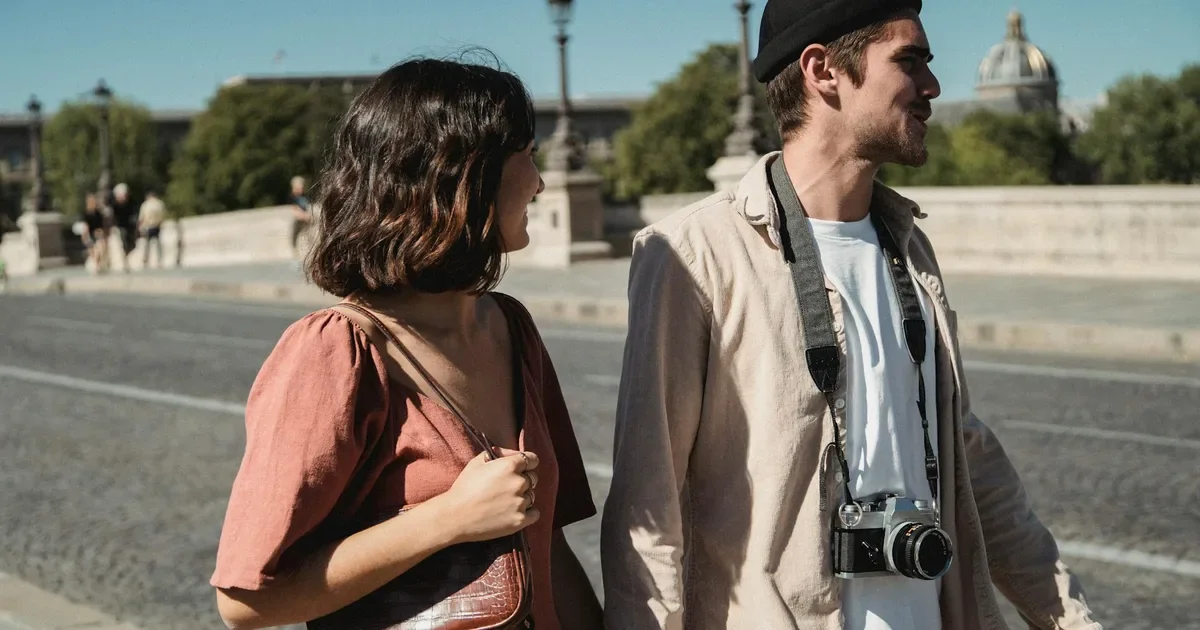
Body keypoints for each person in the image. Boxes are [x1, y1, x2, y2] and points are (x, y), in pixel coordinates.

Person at [599, 2, 1101, 629]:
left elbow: (968, 461)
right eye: (908, 61)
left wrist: (1069, 619)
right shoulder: (693, 256)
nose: (932, 87)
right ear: (823, 70)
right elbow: (648, 508)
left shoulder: (910, 246)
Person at [211, 58, 603, 630]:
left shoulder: (511, 327)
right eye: (528, 154)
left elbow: (548, 545)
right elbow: (247, 602)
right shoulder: (336, 350)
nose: (541, 182)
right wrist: (449, 517)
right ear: (463, 174)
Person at [108, 182, 138, 272]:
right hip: (120, 227)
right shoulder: (114, 205)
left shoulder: (131, 202)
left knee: (132, 244)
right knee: (122, 243)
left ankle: (127, 259)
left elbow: (134, 214)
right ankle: (125, 261)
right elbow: (112, 217)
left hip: (130, 226)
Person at [137, 190, 167, 268]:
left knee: (147, 245)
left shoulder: (146, 204)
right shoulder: (160, 203)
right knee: (157, 244)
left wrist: (139, 226)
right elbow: (163, 215)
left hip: (148, 226)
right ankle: (159, 261)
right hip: (157, 226)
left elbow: (142, 217)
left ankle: (145, 261)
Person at [81, 193, 109, 273]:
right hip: (89, 234)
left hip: (98, 234)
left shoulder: (98, 213)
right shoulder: (86, 214)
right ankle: (96, 263)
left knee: (100, 247)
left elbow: (101, 226)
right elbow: (85, 227)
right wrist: (85, 236)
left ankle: (98, 264)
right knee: (92, 248)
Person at [288, 175, 312, 261]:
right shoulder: (293, 197)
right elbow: (294, 210)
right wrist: (304, 216)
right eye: (300, 186)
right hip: (299, 223)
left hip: (306, 223)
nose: (301, 188)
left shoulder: (304, 196)